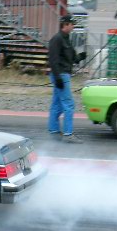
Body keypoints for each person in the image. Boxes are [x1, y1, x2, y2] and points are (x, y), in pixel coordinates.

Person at [47, 14, 87, 144]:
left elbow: (71, 58)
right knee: (69, 105)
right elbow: (53, 60)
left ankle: (53, 131)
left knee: (57, 104)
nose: (73, 26)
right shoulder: (57, 39)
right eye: (72, 24)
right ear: (66, 25)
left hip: (63, 74)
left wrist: (80, 57)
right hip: (61, 75)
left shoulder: (66, 39)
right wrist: (58, 77)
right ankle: (68, 134)